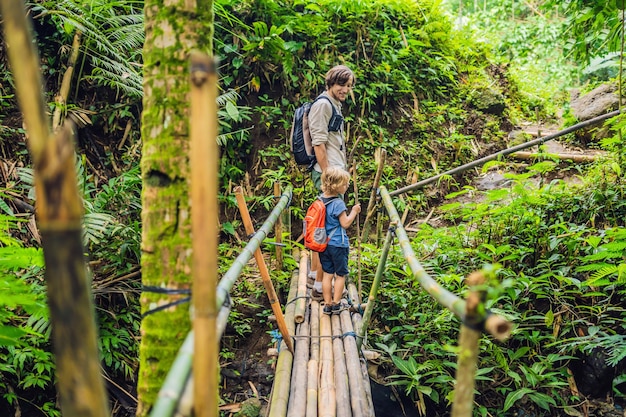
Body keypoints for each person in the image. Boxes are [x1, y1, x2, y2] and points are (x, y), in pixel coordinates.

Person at [308, 64, 356, 300]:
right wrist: (329, 177)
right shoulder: (322, 105)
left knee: (325, 226)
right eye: (341, 85)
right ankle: (320, 282)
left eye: (348, 86)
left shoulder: (333, 104)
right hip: (328, 175)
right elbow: (318, 143)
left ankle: (317, 274)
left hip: (335, 173)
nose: (345, 90)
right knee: (325, 228)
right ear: (330, 84)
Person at [318, 166, 361, 314]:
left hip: (324, 244)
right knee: (340, 274)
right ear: (336, 186)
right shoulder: (338, 203)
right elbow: (345, 223)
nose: (347, 186)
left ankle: (327, 304)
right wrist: (354, 212)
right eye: (344, 184)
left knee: (327, 274)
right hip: (338, 243)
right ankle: (336, 303)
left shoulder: (320, 200)